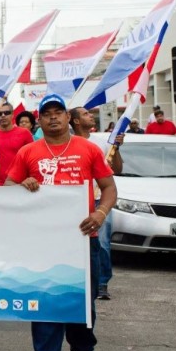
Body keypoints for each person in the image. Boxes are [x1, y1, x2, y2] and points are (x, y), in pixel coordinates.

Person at [5, 94, 117, 351]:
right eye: (47, 114)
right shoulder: (28, 152)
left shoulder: (88, 149)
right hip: (42, 241)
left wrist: (100, 214)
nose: (53, 117)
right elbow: (8, 187)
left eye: (58, 112)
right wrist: (22, 185)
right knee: (45, 297)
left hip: (82, 238)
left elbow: (108, 187)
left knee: (83, 298)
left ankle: (83, 348)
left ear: (69, 118)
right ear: (39, 120)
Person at [69, 107, 123, 300]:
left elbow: (117, 169)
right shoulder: (69, 144)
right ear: (75, 121)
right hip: (75, 201)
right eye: (85, 114)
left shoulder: (102, 144)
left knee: (102, 243)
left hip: (99, 200)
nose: (91, 116)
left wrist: (116, 149)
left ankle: (101, 283)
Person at [0, 102, 34, 186]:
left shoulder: (25, 133)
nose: (3, 115)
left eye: (6, 113)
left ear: (12, 114)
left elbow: (32, 158)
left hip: (20, 184)